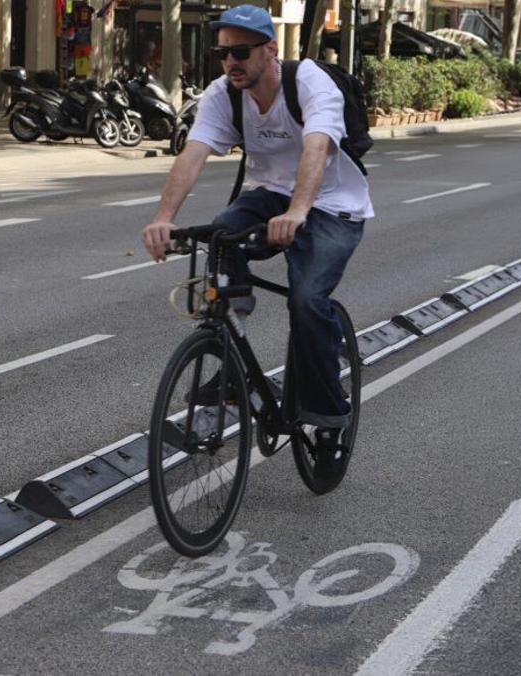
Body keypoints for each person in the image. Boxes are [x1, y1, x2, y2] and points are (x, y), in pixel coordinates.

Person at [139, 4, 373, 455]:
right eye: (223, 53)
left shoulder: (308, 82)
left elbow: (316, 147)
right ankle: (231, 353)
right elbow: (193, 153)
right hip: (271, 197)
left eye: (241, 52)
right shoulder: (224, 94)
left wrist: (299, 210)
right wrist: (163, 217)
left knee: (306, 300)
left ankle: (328, 420)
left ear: (270, 49)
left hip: (333, 205)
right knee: (222, 232)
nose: (231, 62)